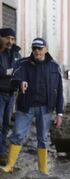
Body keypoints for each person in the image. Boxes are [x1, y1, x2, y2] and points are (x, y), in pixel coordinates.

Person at [1, 38, 63, 174]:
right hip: (26, 107)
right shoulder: (22, 63)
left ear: (46, 49)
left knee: (43, 138)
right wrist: (20, 82)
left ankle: (43, 171)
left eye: (40, 48)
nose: (37, 51)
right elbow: (12, 81)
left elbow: (59, 91)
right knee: (17, 134)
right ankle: (9, 166)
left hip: (46, 108)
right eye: (34, 48)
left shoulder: (54, 66)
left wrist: (60, 113)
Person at [0, 28, 21, 166]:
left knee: (6, 125)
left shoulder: (16, 54)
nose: (10, 41)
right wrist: (9, 72)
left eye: (12, 39)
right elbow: (2, 71)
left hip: (11, 94)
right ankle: (1, 152)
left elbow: (19, 70)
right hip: (0, 93)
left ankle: (2, 152)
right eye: (7, 38)